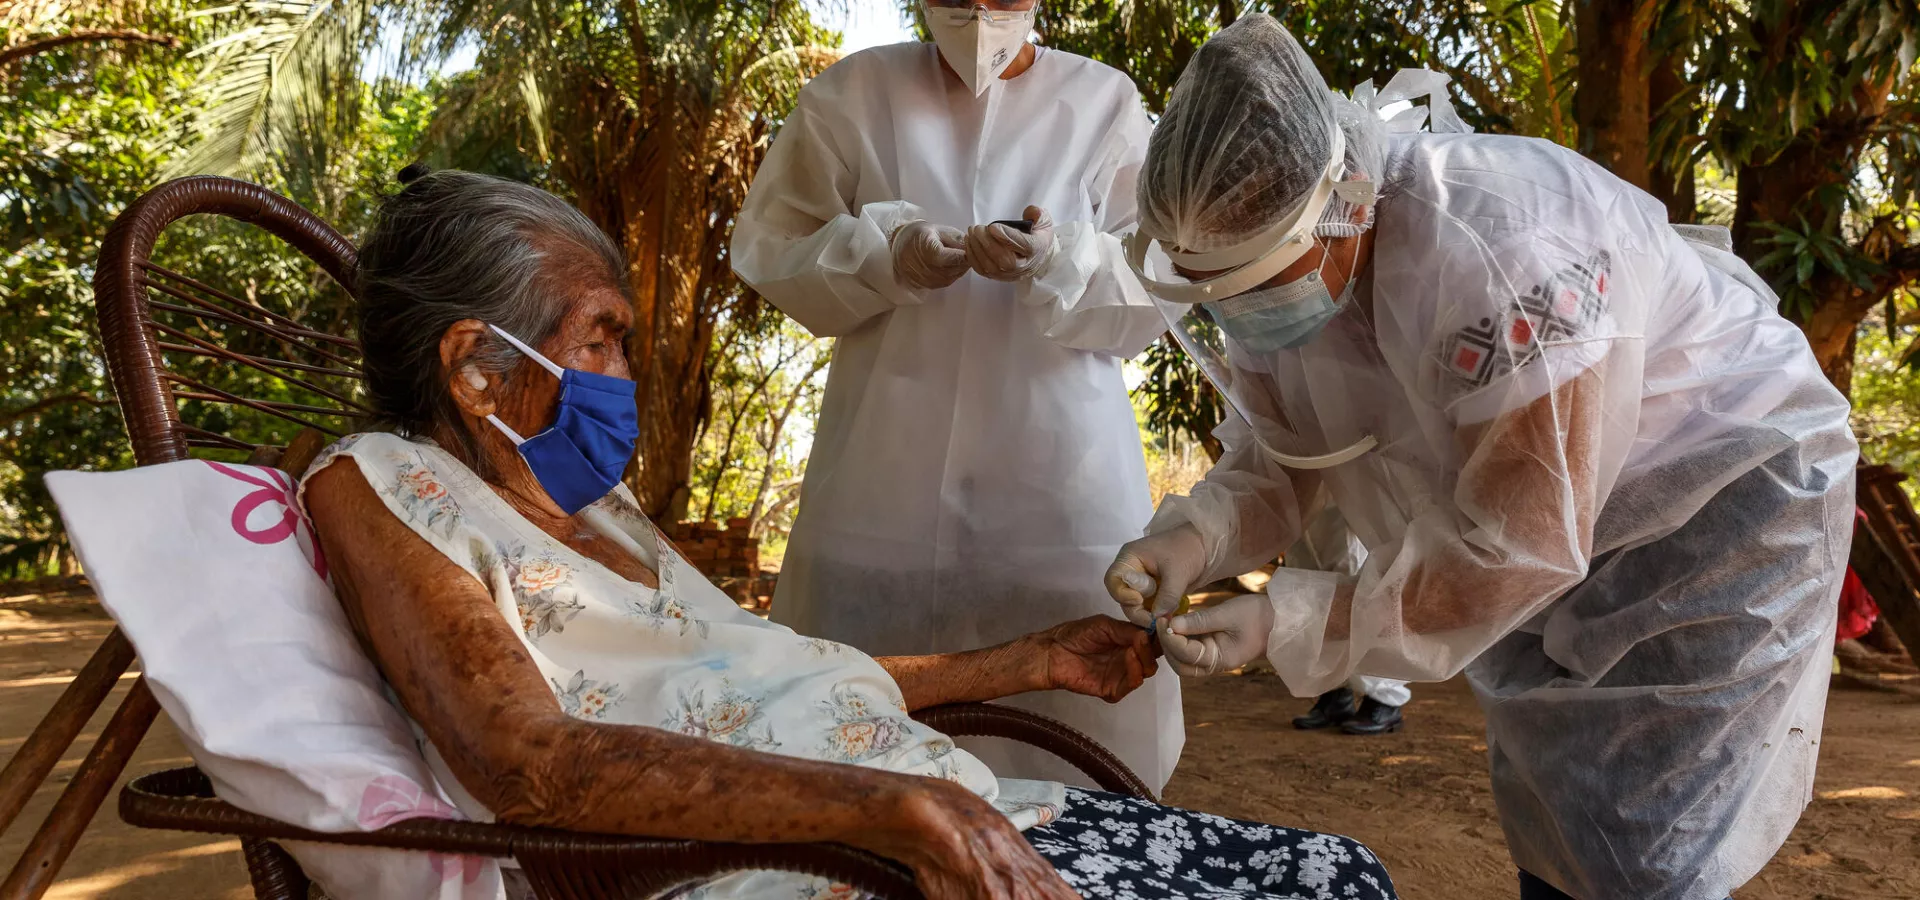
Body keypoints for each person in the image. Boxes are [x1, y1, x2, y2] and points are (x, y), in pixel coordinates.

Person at [303, 168, 1397, 900]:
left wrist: (1025, 663)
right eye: (599, 341)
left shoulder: (596, 511)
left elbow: (769, 676)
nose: (624, 380)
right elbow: (528, 763)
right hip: (809, 865)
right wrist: (889, 810)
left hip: (917, 818)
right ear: (472, 366)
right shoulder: (383, 484)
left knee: (1342, 875)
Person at [1101, 16, 1856, 900]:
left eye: (1264, 278)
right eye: (1220, 291)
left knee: (1644, 849)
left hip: (1716, 503)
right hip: (1551, 526)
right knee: (1563, 807)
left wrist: (1290, 622)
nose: (1250, 312)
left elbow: (1518, 545)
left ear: (1341, 195)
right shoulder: (1290, 266)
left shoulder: (1510, 252)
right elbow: (1292, 455)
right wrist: (1195, 539)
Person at [730, 0, 1181, 793]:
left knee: (1071, 758)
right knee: (856, 753)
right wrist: (884, 257)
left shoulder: (1104, 102)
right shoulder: (850, 97)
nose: (981, 14)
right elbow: (771, 248)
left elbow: (1161, 278)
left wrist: (1061, 260)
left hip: (1056, 497)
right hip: (882, 494)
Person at [1281, 496, 1406, 735]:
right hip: (1301, 487)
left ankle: (1383, 700)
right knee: (1308, 584)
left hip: (1343, 487)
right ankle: (1335, 693)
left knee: (1356, 586)